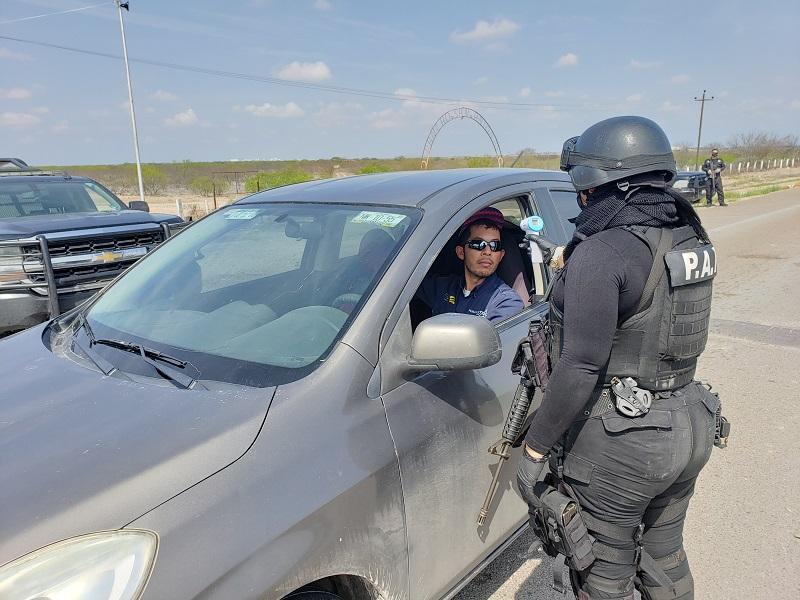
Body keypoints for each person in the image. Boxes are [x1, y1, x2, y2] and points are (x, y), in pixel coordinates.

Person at [516, 116, 723, 600]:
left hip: (624, 445)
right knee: (665, 561)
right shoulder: (687, 236)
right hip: (688, 421)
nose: (581, 200)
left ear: (599, 185)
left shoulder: (605, 250)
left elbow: (582, 365)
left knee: (603, 576)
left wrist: (534, 449)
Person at [416, 207, 524, 322]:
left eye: (494, 245)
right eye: (478, 244)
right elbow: (402, 280)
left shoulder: (506, 301)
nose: (488, 251)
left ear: (501, 256)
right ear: (461, 252)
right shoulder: (443, 287)